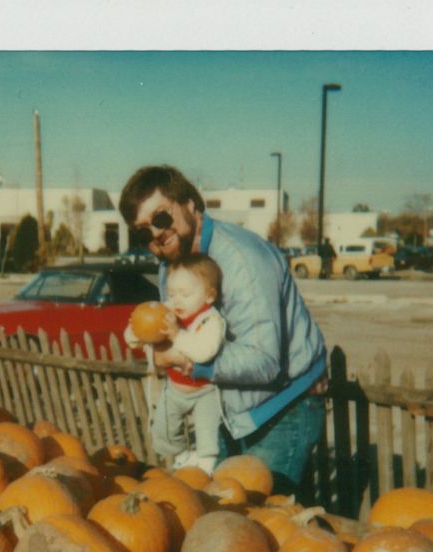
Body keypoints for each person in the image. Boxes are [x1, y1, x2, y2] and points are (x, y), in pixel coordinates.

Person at [118, 165, 329, 502]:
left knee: (268, 524)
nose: (155, 236)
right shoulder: (171, 265)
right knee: (223, 514)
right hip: (228, 408)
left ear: (189, 203)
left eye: (160, 219)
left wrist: (187, 362)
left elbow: (264, 360)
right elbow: (176, 333)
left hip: (281, 409)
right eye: (143, 234)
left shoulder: (242, 259)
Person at [126, 254, 226, 474]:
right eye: (171, 294)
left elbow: (203, 352)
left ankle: (206, 467)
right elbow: (139, 338)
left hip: (204, 390)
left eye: (185, 294)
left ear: (209, 296)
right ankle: (182, 456)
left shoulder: (211, 320)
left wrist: (177, 334)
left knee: (207, 433)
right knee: (163, 430)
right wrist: (136, 328)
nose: (176, 300)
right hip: (174, 388)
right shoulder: (169, 314)